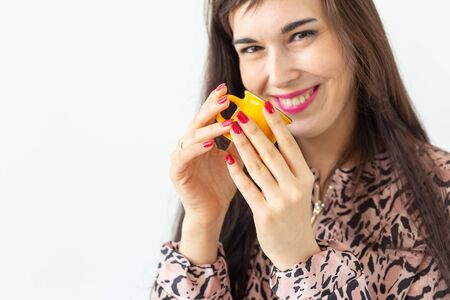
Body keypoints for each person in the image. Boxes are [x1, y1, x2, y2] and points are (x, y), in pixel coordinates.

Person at [151, 0, 450, 298]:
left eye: (301, 35)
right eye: (252, 48)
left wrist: (299, 261)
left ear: (355, 33)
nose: (279, 75)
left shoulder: (441, 192)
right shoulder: (231, 184)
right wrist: (203, 223)